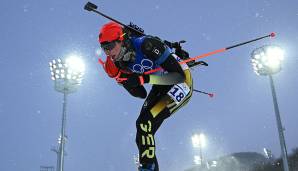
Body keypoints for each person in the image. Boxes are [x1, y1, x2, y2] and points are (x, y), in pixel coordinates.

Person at [98, 21, 193, 171]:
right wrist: (124, 82)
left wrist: (144, 79)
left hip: (182, 82)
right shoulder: (121, 62)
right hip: (161, 84)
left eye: (109, 46)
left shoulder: (146, 45)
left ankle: (147, 168)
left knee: (145, 123)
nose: (108, 53)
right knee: (142, 132)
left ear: (121, 40)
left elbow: (178, 76)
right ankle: (150, 167)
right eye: (104, 49)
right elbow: (141, 93)